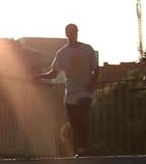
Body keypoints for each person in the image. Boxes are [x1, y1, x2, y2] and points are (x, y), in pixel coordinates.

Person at [36, 23, 99, 155]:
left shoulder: (87, 49)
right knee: (74, 122)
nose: (73, 34)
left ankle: (84, 147)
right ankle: (79, 149)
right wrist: (38, 77)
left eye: (75, 32)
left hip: (85, 91)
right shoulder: (62, 53)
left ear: (77, 33)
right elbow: (54, 73)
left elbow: (96, 68)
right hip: (71, 92)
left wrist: (92, 82)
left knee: (82, 117)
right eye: (70, 32)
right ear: (66, 34)